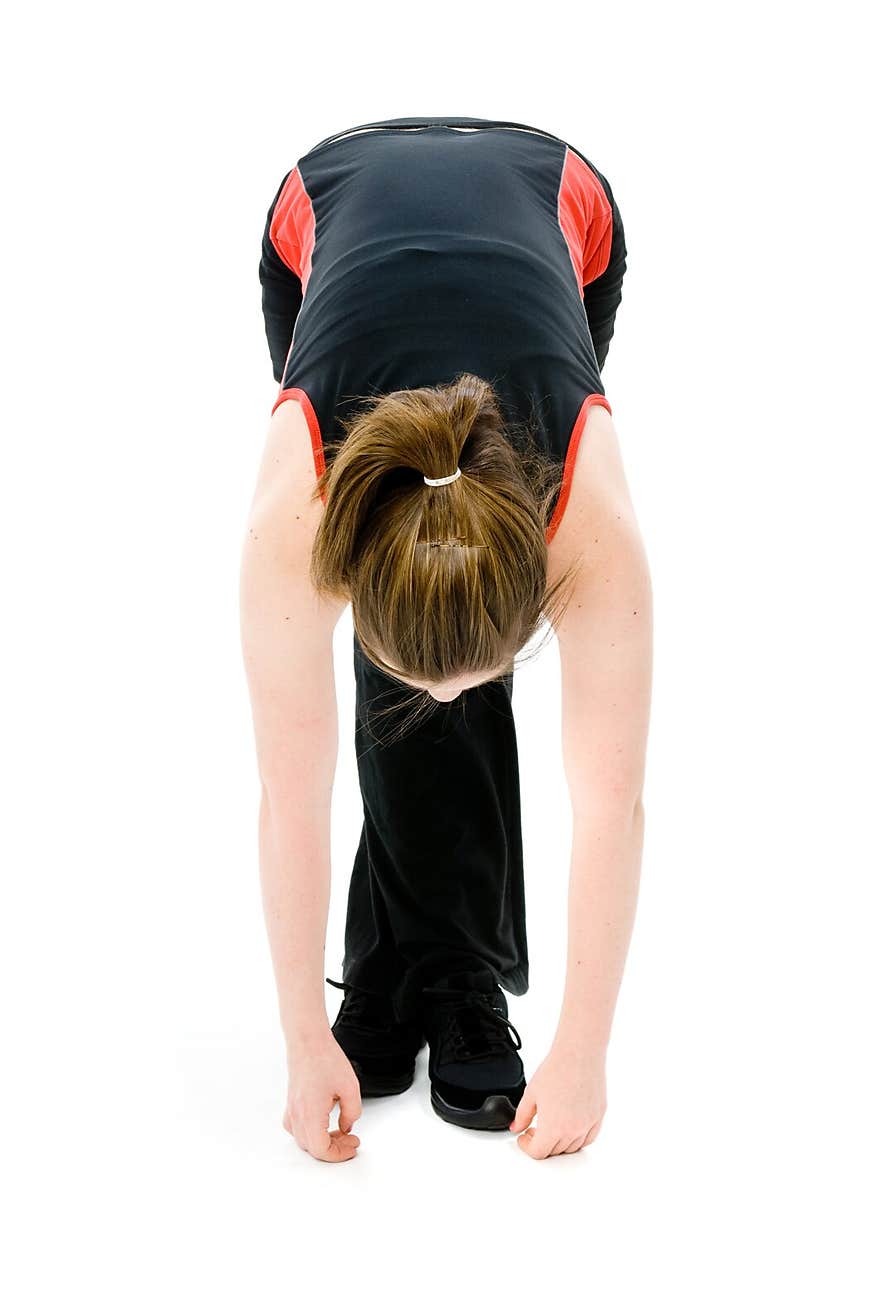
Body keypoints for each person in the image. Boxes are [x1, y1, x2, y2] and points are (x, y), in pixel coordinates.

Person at [239, 115, 652, 1164]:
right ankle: (432, 964)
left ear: (542, 587)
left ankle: (411, 967)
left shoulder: (588, 526)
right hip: (323, 203)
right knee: (412, 663)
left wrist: (584, 1054)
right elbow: (291, 795)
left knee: (450, 594)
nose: (455, 692)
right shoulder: (295, 521)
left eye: (481, 672)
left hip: (557, 199)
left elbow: (611, 805)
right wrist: (296, 1042)